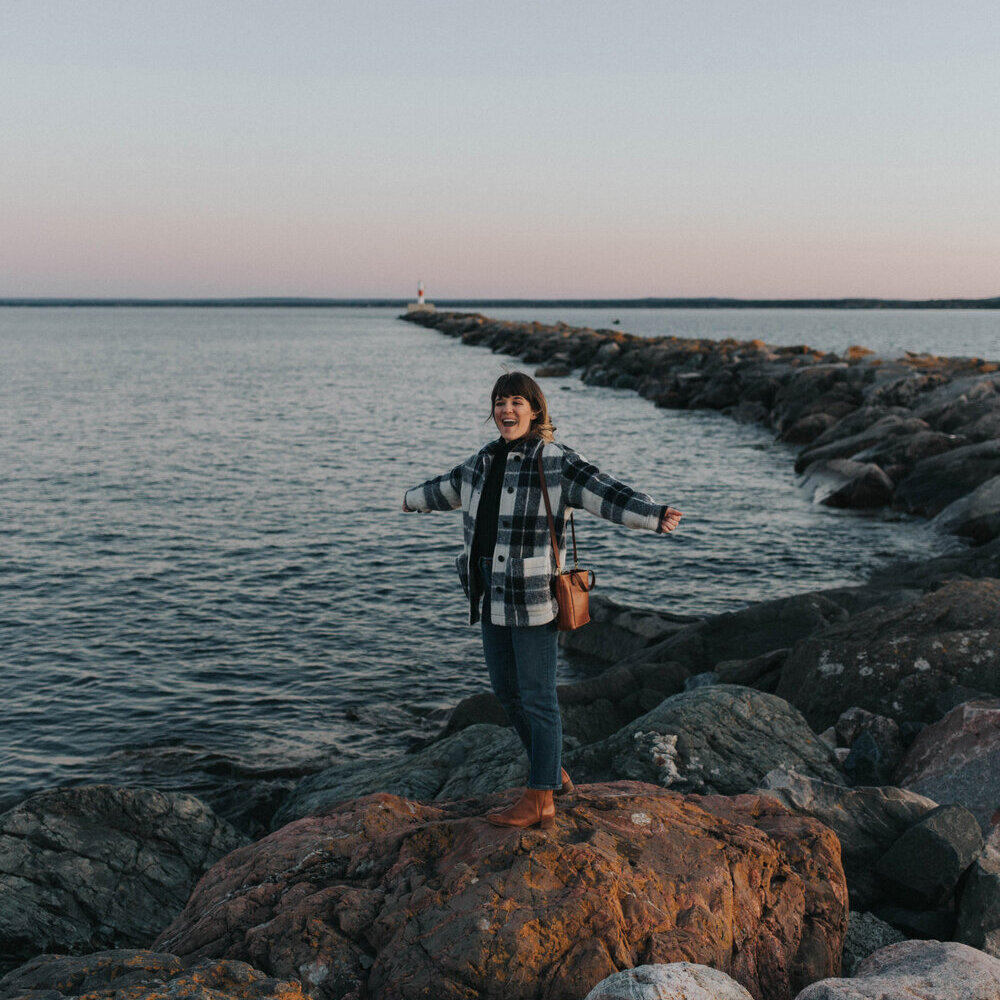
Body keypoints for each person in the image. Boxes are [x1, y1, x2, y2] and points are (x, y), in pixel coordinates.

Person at [402, 371, 682, 830]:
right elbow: (446, 488)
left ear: (535, 410)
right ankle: (550, 773)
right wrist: (410, 500)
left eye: (516, 402)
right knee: (506, 692)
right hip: (489, 595)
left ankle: (540, 799)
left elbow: (604, 491)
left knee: (537, 698)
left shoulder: (554, 460)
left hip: (533, 598)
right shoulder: (482, 461)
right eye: (499, 402)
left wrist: (653, 515)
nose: (506, 410)